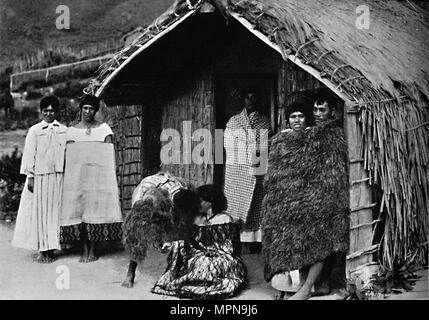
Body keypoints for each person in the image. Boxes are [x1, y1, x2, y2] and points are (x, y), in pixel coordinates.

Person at [261, 100, 349, 300]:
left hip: (314, 203)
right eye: (293, 116)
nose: (297, 120)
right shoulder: (279, 142)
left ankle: (307, 287)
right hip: (289, 205)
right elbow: (274, 176)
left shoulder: (316, 139)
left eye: (301, 116)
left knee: (318, 240)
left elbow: (328, 173)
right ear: (287, 120)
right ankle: (298, 281)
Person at [152, 185, 247, 299]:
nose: (198, 204)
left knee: (212, 263)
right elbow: (189, 241)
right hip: (200, 254)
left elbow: (230, 246)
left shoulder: (225, 219)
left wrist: (213, 252)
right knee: (200, 262)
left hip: (223, 255)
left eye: (201, 200)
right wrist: (174, 244)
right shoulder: (196, 219)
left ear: (210, 202)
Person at [60, 94, 122, 263]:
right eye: (85, 108)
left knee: (94, 212)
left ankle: (93, 250)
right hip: (78, 180)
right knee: (80, 212)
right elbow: (70, 159)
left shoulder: (104, 130)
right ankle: (84, 249)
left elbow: (109, 156)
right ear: (81, 109)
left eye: (91, 109)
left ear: (95, 111)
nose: (88, 112)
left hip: (97, 179)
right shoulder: (72, 131)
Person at [12, 95, 67, 263]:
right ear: (41, 112)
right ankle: (42, 250)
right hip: (40, 178)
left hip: (57, 177)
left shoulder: (63, 130)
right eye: (46, 111)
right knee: (40, 214)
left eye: (52, 111)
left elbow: (67, 154)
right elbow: (29, 155)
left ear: (57, 112)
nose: (49, 114)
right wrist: (30, 176)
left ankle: (51, 250)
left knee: (54, 214)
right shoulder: (34, 131)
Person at [122, 172, 194, 288]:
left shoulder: (177, 194)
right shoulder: (139, 196)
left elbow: (179, 223)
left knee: (179, 236)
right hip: (154, 196)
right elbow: (136, 234)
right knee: (137, 236)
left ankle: (179, 271)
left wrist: (170, 241)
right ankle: (130, 273)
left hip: (176, 201)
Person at [223, 85, 271, 254]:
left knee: (257, 205)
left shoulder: (264, 121)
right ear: (243, 99)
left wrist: (253, 150)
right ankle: (236, 240)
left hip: (258, 171)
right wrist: (246, 151)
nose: (250, 100)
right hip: (238, 171)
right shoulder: (234, 121)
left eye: (253, 97)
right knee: (236, 205)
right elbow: (229, 145)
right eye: (247, 97)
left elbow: (265, 147)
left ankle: (255, 242)